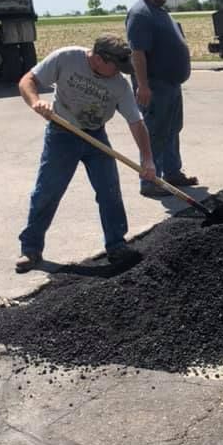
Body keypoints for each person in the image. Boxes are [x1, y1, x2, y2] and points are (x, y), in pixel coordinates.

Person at [15, 35, 157, 273]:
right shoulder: (67, 58)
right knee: (47, 191)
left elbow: (136, 121)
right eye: (116, 67)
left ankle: (116, 245)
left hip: (95, 137)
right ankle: (30, 249)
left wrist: (148, 159)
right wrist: (36, 102)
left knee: (110, 192)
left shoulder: (119, 84)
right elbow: (27, 80)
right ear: (99, 59)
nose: (120, 73)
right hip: (62, 133)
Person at [126, 0, 198, 197]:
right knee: (155, 132)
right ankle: (150, 181)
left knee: (172, 129)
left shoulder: (159, 11)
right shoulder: (140, 14)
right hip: (155, 86)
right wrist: (143, 86)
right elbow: (138, 53)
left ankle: (172, 173)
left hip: (171, 85)